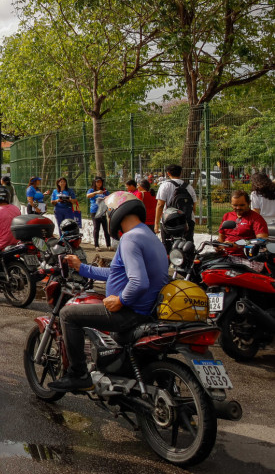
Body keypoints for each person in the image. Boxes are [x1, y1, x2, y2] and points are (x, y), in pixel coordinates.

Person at [50, 192, 170, 392]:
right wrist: (82, 268)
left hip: (130, 312)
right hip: (148, 310)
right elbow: (117, 273)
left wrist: (121, 300)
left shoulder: (130, 239)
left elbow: (138, 282)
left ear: (114, 213)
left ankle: (78, 374)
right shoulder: (148, 235)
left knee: (68, 314)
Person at [154, 164, 197, 250]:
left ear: (168, 173)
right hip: (186, 221)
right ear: (181, 173)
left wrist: (156, 224)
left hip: (169, 221)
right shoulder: (189, 187)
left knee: (167, 245)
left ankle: (169, 262)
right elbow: (194, 205)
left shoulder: (164, 185)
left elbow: (160, 205)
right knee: (187, 245)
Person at [87, 177, 111, 251]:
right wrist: (96, 193)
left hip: (103, 211)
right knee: (96, 228)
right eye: (97, 182)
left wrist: (106, 198)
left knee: (106, 228)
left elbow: (109, 198)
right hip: (95, 211)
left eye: (100, 182)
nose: (99, 183)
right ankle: (96, 245)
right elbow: (88, 196)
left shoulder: (105, 191)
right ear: (94, 183)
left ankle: (108, 245)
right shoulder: (91, 190)